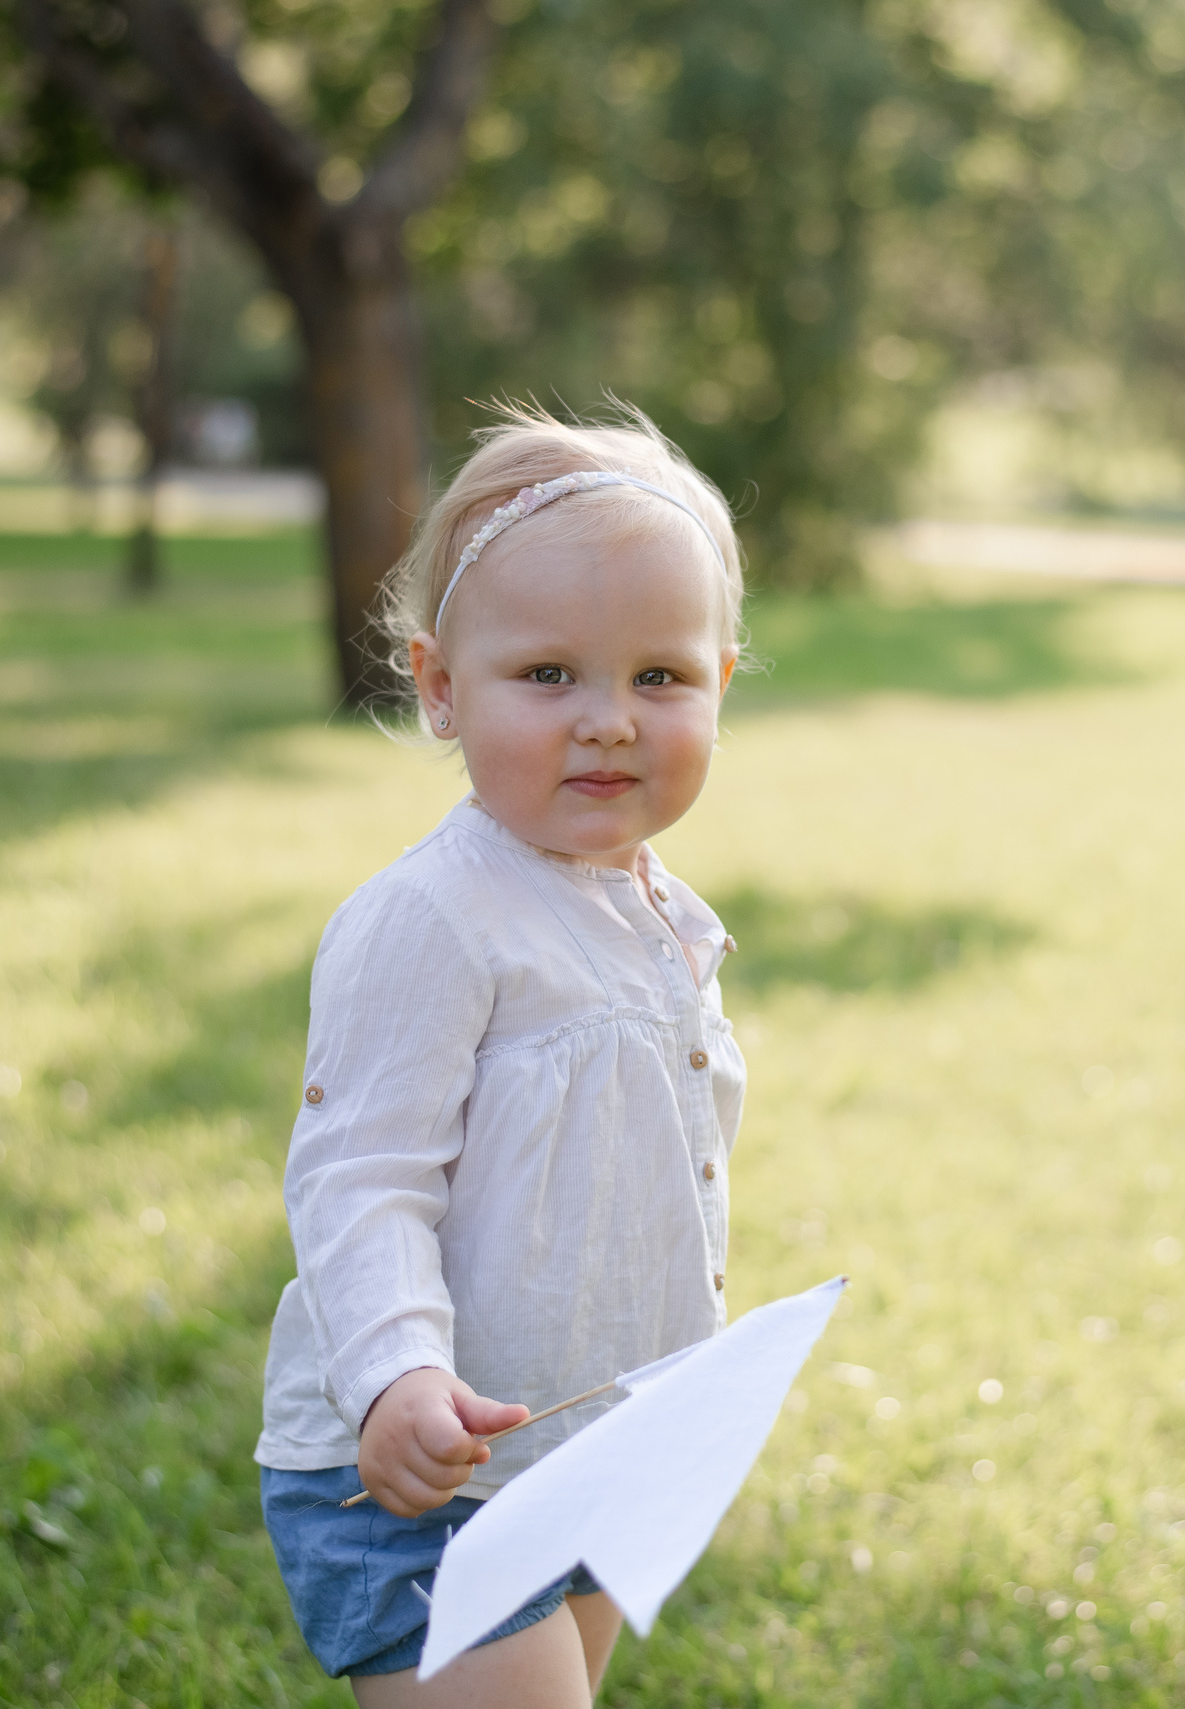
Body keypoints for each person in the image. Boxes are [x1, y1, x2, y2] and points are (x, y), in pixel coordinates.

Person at [254, 405, 750, 1707]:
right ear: (437, 688)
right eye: (548, 675)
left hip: (588, 1447)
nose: (609, 721)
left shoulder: (661, 914)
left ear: (723, 686)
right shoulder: (434, 918)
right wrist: (398, 1372)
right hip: (420, 1468)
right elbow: (361, 1176)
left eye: (659, 677)